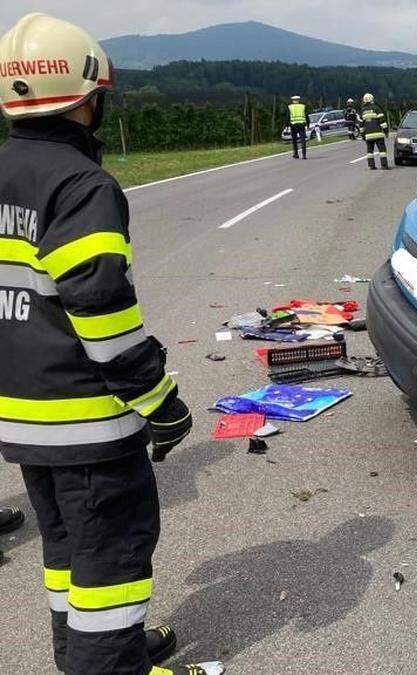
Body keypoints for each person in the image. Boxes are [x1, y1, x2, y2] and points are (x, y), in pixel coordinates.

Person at [0, 14, 222, 675]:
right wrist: (162, 401)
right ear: (87, 100)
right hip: (87, 423)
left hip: (24, 419)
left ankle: (91, 654)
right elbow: (100, 312)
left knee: (68, 552)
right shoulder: (80, 186)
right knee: (112, 557)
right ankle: (110, 665)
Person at [359, 93, 389, 170]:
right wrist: (386, 132)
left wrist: (363, 136)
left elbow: (361, 125)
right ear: (372, 99)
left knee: (369, 151)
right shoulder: (376, 108)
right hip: (378, 134)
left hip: (368, 135)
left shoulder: (362, 111)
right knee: (382, 150)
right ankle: (384, 165)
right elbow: (383, 121)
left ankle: (371, 166)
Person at [288, 94, 307, 159]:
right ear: (299, 100)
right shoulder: (303, 106)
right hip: (301, 125)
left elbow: (287, 117)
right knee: (303, 140)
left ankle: (296, 154)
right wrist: (307, 124)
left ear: (292, 100)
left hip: (293, 125)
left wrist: (287, 125)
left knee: (294, 140)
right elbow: (306, 115)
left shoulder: (290, 107)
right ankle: (304, 155)